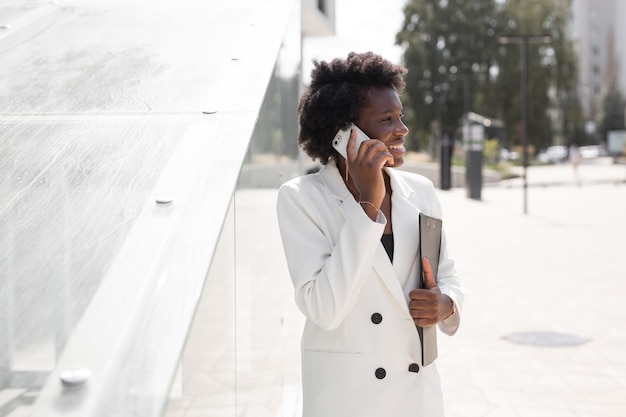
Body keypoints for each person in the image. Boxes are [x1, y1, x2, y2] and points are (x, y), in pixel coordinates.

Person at [276, 52, 464, 417]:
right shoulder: (301, 199)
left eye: (400, 115)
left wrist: (446, 305)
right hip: (347, 398)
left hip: (417, 397)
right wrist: (368, 207)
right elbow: (323, 309)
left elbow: (449, 274)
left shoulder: (420, 190)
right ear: (345, 134)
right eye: (387, 119)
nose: (402, 128)